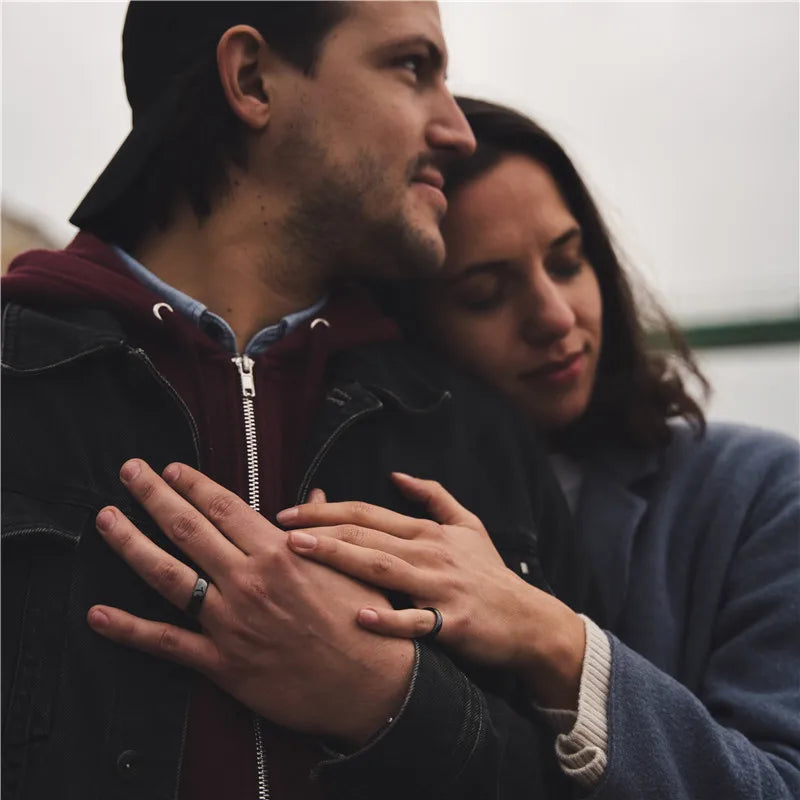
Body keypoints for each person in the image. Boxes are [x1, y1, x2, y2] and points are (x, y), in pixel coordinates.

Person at [1, 10, 576, 800]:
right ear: (253, 80)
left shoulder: (472, 428)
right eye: (413, 67)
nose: (458, 129)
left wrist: (390, 698)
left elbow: (594, 781)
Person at [279, 98, 800, 799]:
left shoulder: (762, 494)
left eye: (568, 261)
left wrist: (555, 641)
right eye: (486, 293)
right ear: (406, 325)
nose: (554, 317)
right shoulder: (348, 504)